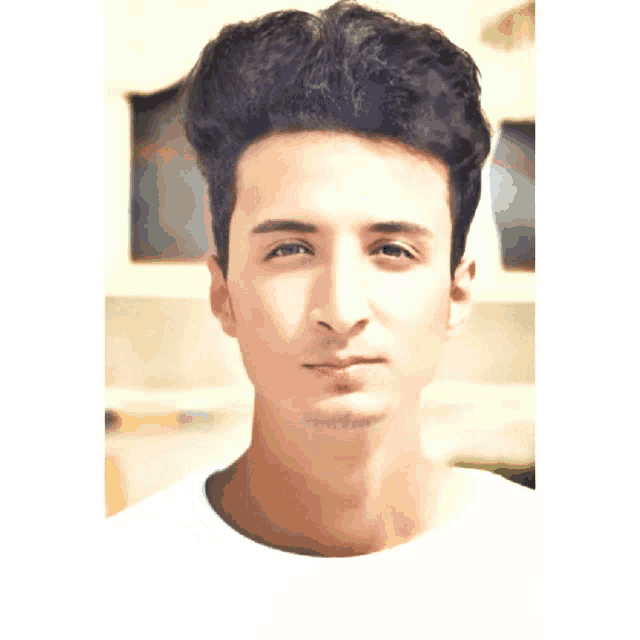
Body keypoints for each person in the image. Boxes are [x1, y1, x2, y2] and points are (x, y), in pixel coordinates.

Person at [105, 3, 540, 637]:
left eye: (392, 250)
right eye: (289, 250)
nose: (339, 310)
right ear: (222, 291)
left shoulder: (559, 578)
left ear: (457, 292)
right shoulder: (105, 590)